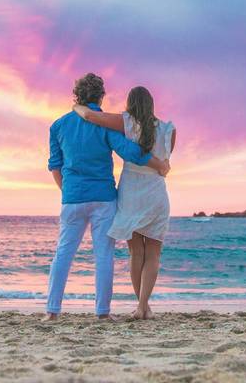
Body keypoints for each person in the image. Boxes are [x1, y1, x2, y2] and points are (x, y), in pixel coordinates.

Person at [45, 73, 170, 321]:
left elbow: (54, 166)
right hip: (103, 198)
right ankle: (102, 313)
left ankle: (52, 312)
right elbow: (130, 151)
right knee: (103, 255)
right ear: (101, 96)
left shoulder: (58, 126)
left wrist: (67, 191)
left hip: (72, 198)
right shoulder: (103, 125)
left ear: (77, 96)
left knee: (63, 254)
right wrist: (157, 164)